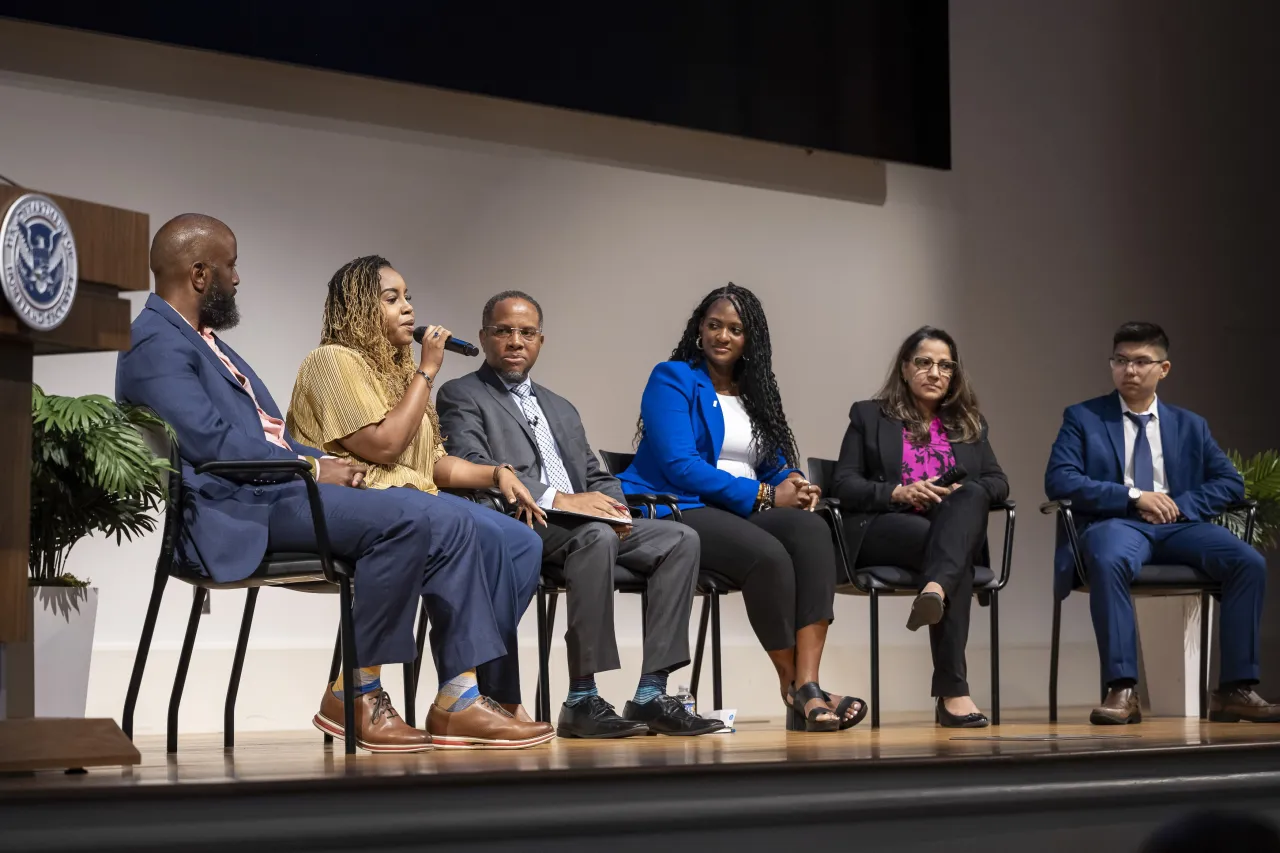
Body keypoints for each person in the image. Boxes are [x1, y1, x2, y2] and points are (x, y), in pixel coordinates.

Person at [116, 214, 554, 751]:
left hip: (274, 491)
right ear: (201, 273)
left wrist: (311, 459)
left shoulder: (207, 344)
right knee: (414, 515)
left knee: (441, 517)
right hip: (237, 506)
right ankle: (357, 693)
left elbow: (267, 437)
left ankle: (458, 698)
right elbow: (209, 442)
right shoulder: (154, 341)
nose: (237, 279)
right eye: (231, 267)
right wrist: (312, 467)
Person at [436, 290, 720, 738]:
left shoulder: (560, 407)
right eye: (504, 331)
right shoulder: (462, 395)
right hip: (523, 523)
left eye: (526, 333)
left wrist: (616, 509)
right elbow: (475, 464)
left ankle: (651, 694)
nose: (515, 341)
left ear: (540, 341)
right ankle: (582, 698)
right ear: (484, 338)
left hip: (586, 527)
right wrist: (562, 500)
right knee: (596, 538)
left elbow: (594, 474)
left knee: (680, 539)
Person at [285, 255, 547, 728]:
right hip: (360, 503)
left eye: (408, 298)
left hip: (415, 496)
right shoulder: (332, 361)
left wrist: (494, 474)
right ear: (358, 309)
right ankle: (458, 695)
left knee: (521, 543)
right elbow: (384, 448)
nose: (408, 309)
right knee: (461, 524)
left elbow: (427, 464)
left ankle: (491, 691)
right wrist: (428, 371)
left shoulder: (398, 372)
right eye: (392, 299)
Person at [618, 283, 866, 732]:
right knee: (766, 555)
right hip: (682, 507)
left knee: (814, 532)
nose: (723, 336)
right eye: (714, 325)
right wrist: (766, 497)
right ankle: (792, 685)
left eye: (735, 329)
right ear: (699, 330)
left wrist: (793, 483)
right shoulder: (672, 378)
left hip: (741, 509)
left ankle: (809, 682)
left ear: (750, 339)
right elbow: (680, 465)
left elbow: (769, 464)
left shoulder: (754, 394)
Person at [1045, 322, 1277, 725]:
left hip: (1179, 526)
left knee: (1248, 562)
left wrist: (1176, 505)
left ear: (1163, 369)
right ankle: (1122, 689)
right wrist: (1134, 496)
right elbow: (1060, 479)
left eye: (1140, 362)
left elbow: (1230, 483)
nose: (1129, 371)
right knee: (1108, 557)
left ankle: (1234, 690)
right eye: (1120, 361)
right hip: (1117, 523)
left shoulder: (1190, 425)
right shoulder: (1083, 418)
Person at [830, 326, 1009, 728]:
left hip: (946, 530)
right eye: (925, 363)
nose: (935, 373)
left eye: (945, 365)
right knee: (954, 556)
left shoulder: (969, 424)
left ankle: (934, 588)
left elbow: (999, 483)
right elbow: (843, 484)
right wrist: (899, 492)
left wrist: (964, 490)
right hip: (887, 527)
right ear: (905, 368)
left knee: (972, 499)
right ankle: (953, 693)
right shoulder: (869, 415)